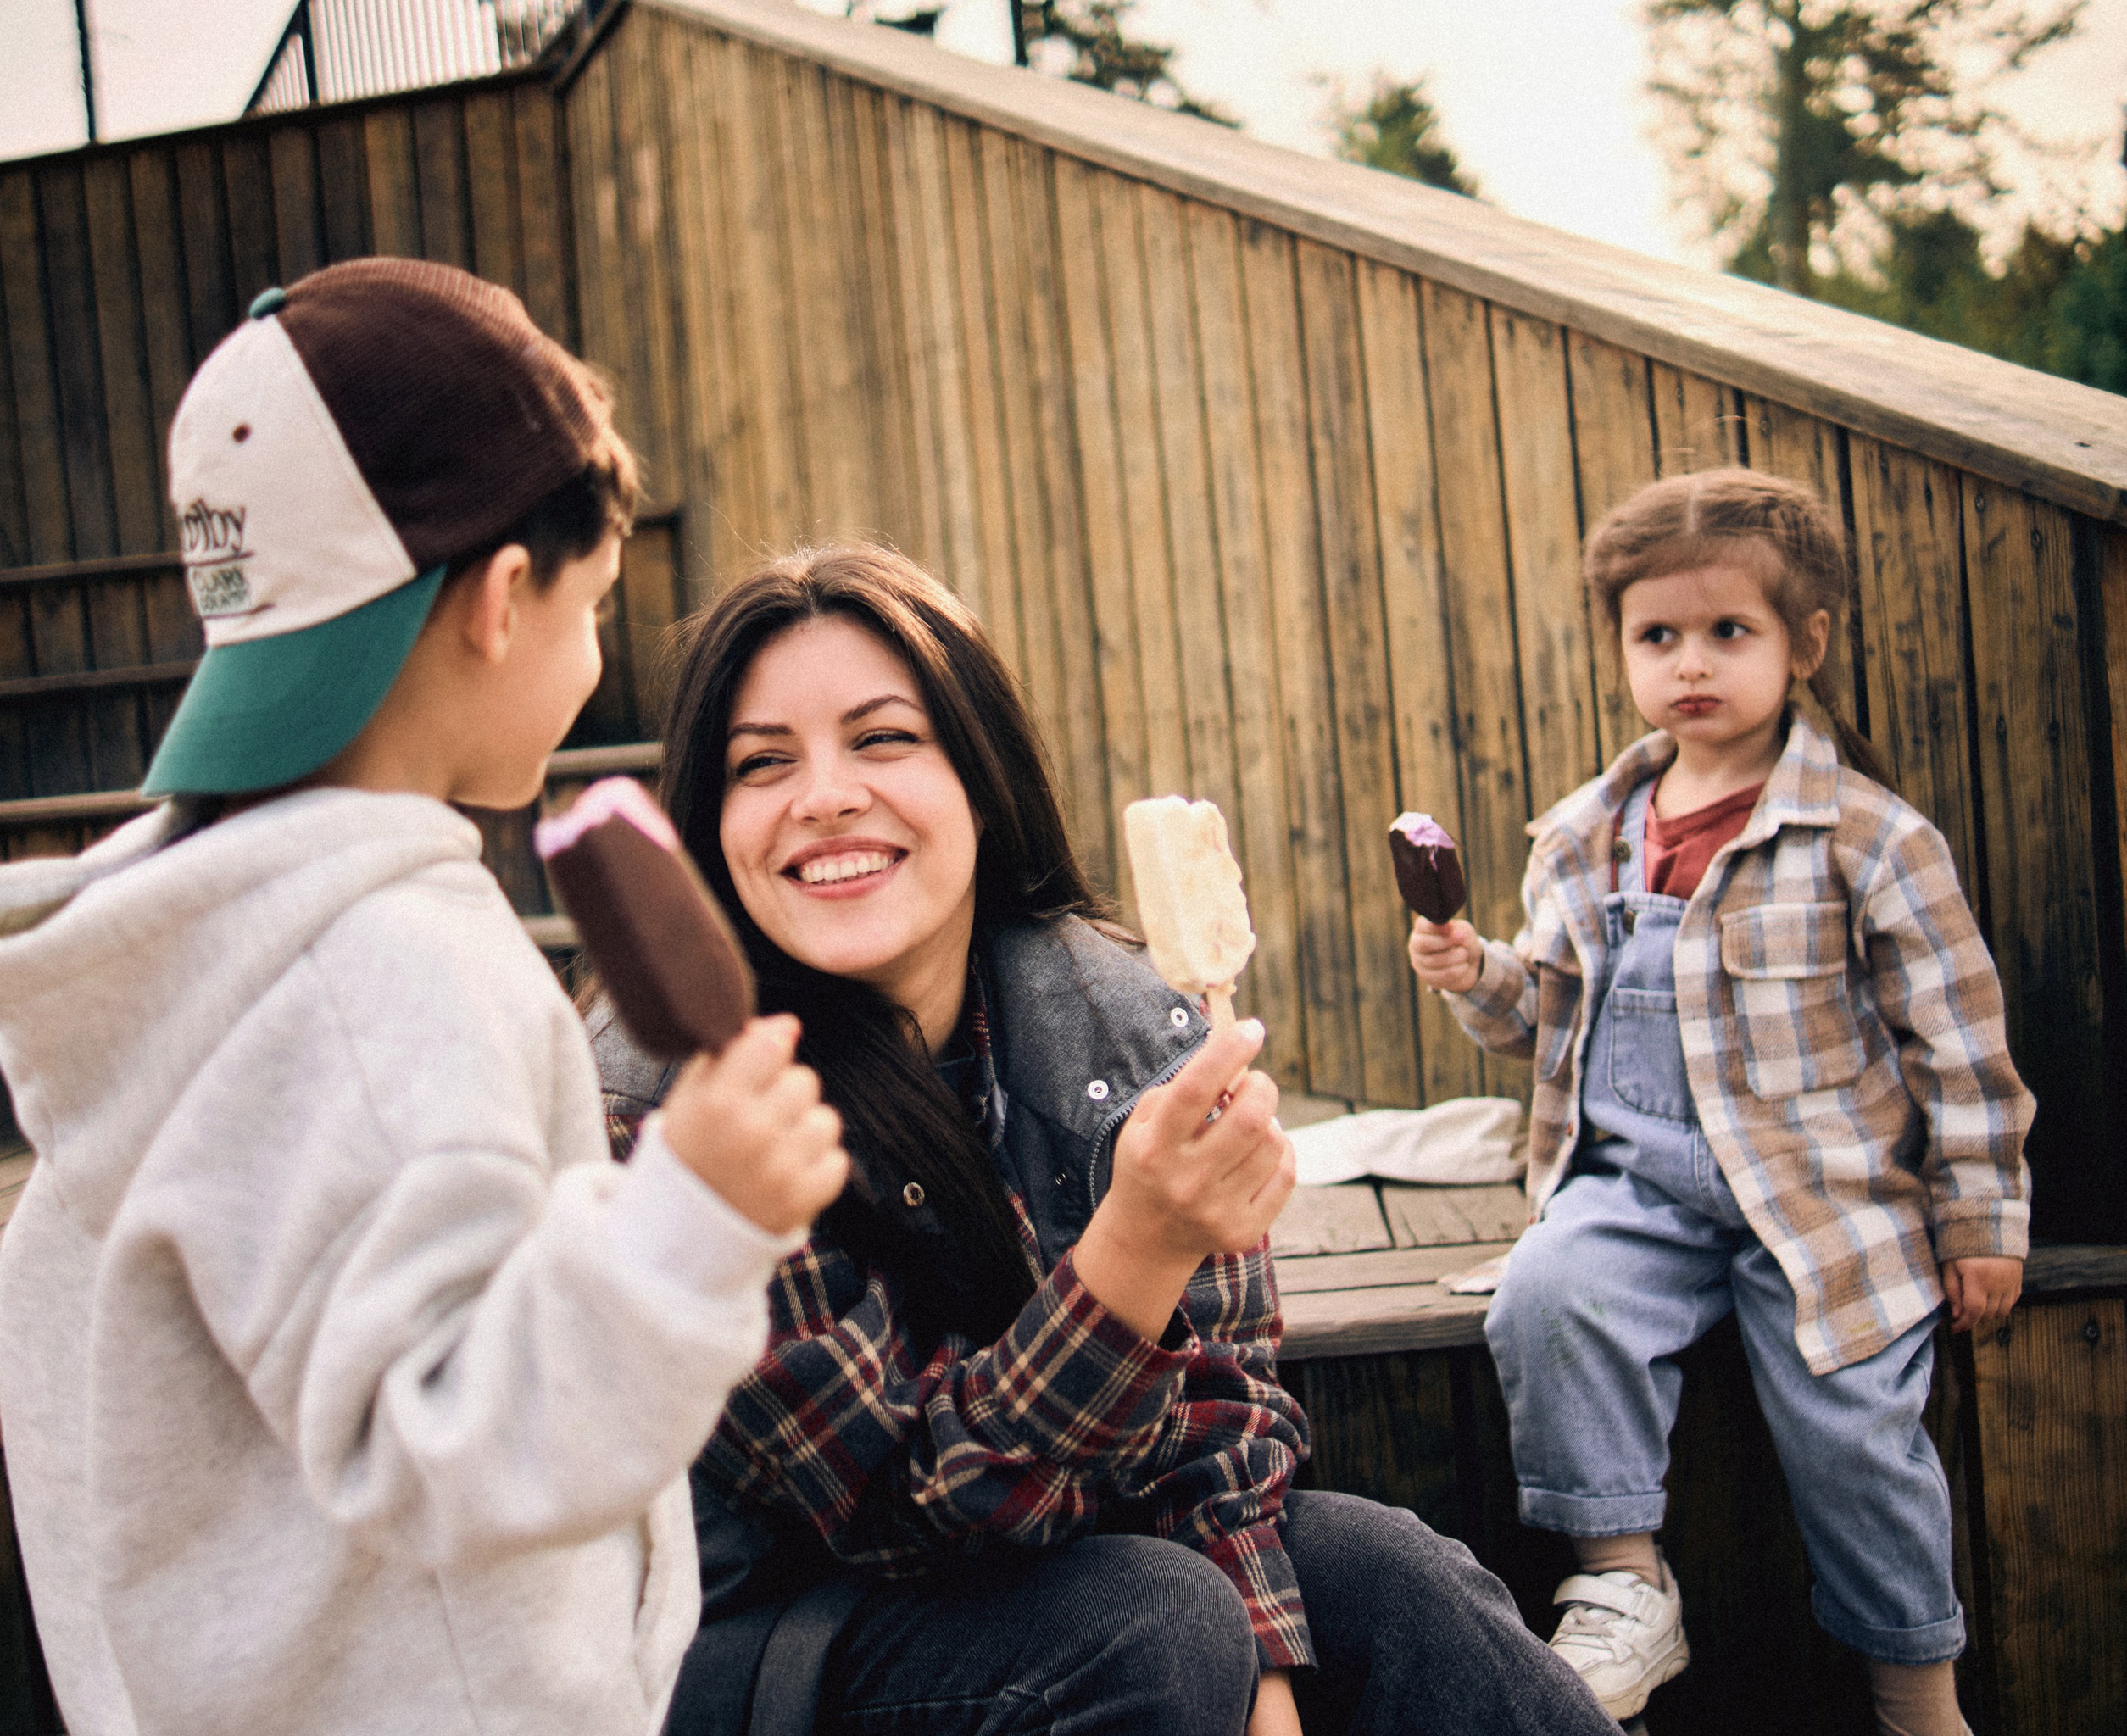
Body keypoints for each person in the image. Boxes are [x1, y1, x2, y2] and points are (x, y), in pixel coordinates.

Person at [0, 259, 848, 1736]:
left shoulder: (172, 969)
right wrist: (689, 1217)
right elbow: (451, 1434)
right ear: (502, 601)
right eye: (595, 603)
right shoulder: (387, 975)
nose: (596, 654)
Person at [595, 544, 1618, 1736]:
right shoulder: (673, 1104)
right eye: (763, 762)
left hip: (1075, 1544)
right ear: (712, 822)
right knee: (1151, 1622)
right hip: (777, 1642)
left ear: (981, 779)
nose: (824, 795)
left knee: (1391, 1578)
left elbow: (1222, 1408)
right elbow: (901, 1509)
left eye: (883, 739)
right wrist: (1138, 1248)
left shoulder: (1129, 1023)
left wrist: (1269, 1687)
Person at [1407, 469, 2031, 1735]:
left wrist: (1981, 1221)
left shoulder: (1869, 838)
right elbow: (1550, 1028)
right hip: (1638, 1191)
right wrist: (1477, 975)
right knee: (1549, 1297)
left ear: (1805, 644)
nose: (1690, 663)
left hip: (1824, 1204)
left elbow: (1959, 1044)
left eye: (1728, 631)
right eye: (1658, 636)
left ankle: (1918, 1696)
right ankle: (1626, 1582)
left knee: (1855, 1433)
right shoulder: (1585, 838)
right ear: (1623, 650)